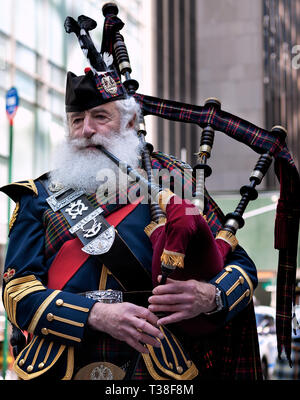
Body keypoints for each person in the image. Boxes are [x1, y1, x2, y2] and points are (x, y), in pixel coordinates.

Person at [1, 64, 262, 380]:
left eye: (100, 117)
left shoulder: (174, 183)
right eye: (77, 120)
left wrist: (210, 296)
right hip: (58, 368)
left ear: (129, 122)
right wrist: (94, 315)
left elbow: (241, 268)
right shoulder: (37, 197)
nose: (86, 130)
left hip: (158, 368)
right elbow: (17, 292)